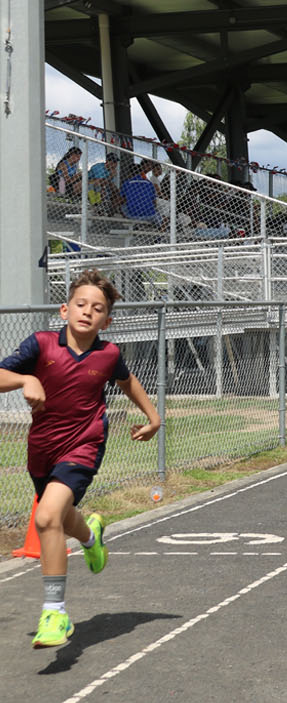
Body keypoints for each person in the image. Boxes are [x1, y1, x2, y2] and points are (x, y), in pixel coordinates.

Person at [0, 269, 161, 648]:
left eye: (98, 308)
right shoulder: (40, 345)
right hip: (42, 447)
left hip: (84, 445)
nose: (87, 311)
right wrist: (26, 380)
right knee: (60, 517)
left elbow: (127, 381)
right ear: (64, 309)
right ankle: (91, 537)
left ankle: (55, 613)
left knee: (46, 517)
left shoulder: (108, 355)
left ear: (108, 320)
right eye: (81, 304)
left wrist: (154, 418)